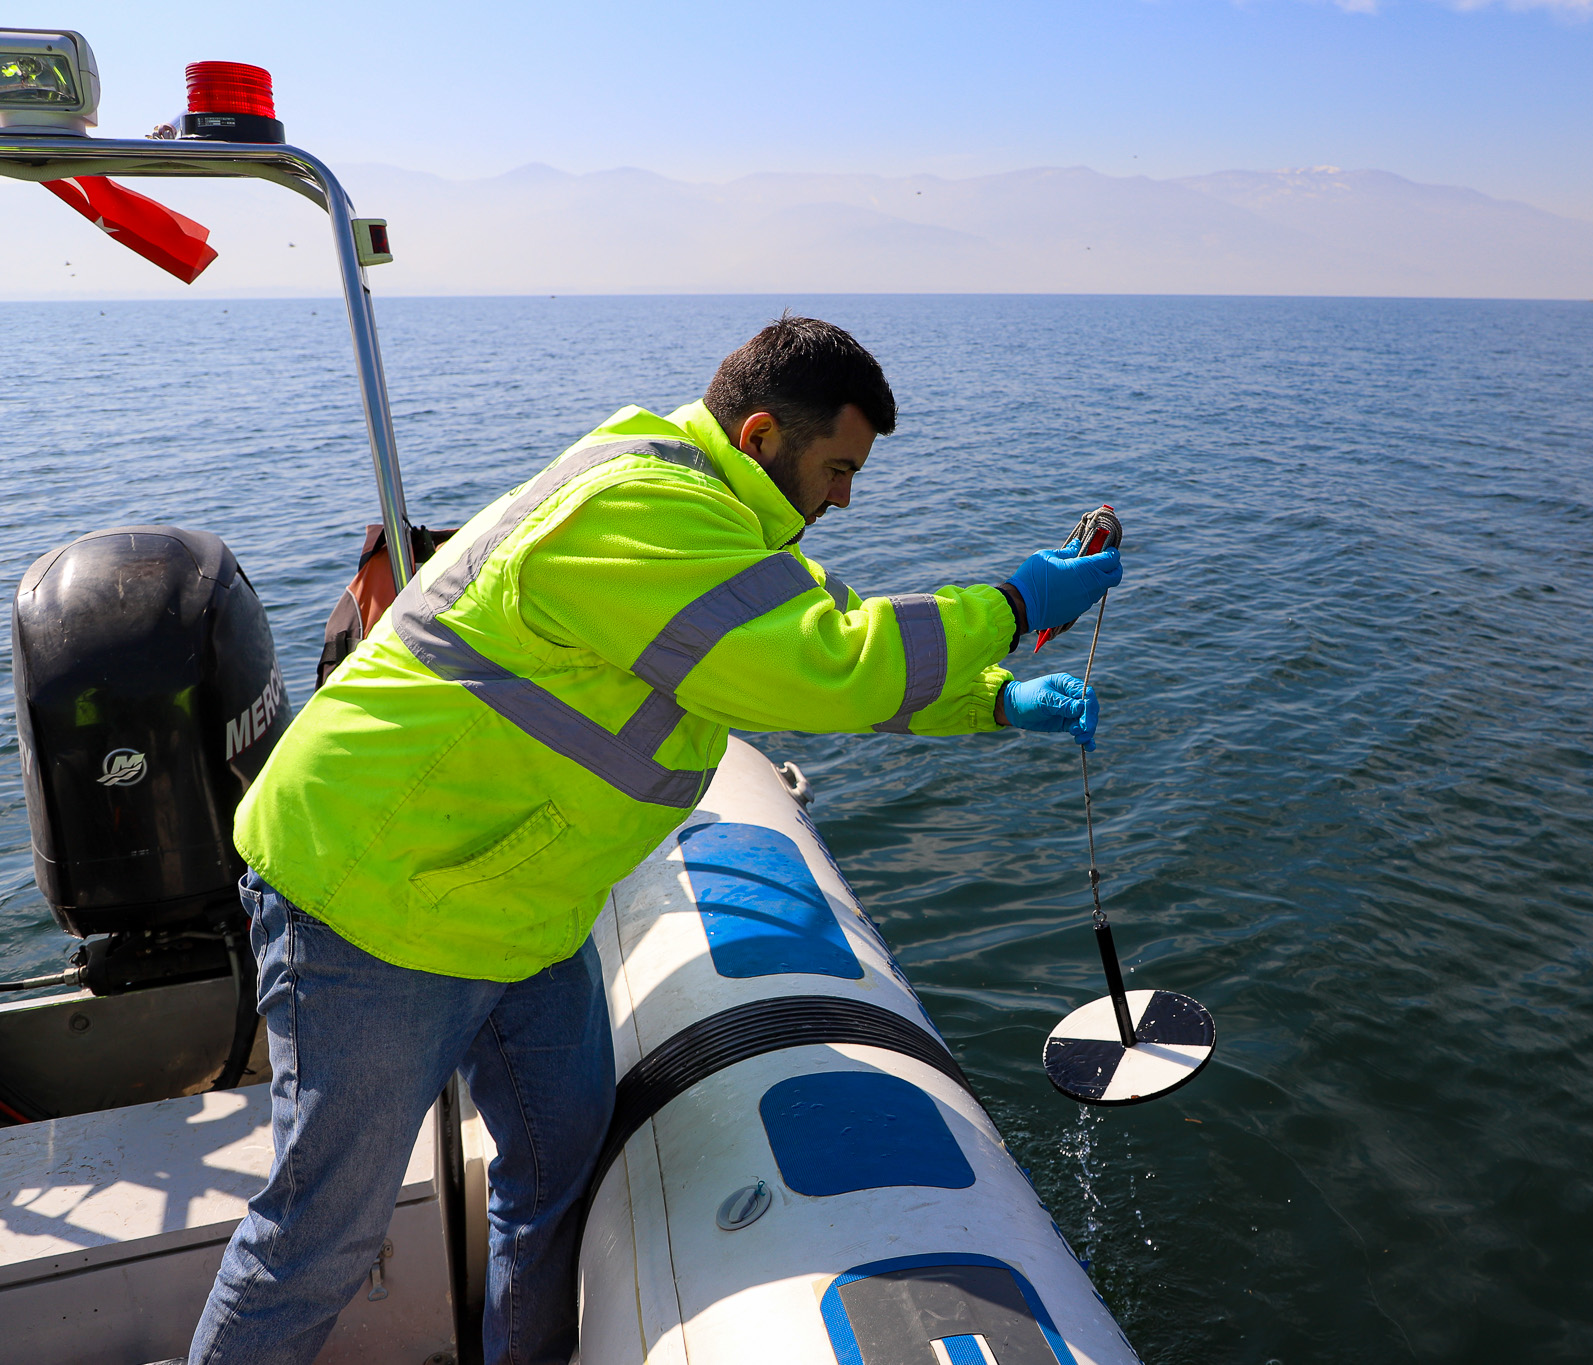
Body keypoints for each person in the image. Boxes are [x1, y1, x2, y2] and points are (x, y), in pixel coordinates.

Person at [188, 315, 1121, 1365]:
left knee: (556, 1178)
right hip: (375, 893)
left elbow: (803, 643)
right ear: (763, 435)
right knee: (320, 1237)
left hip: (516, 902)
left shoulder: (716, 519)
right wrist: (1008, 606)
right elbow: (823, 664)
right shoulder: (645, 508)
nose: (845, 497)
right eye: (838, 469)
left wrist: (995, 700)